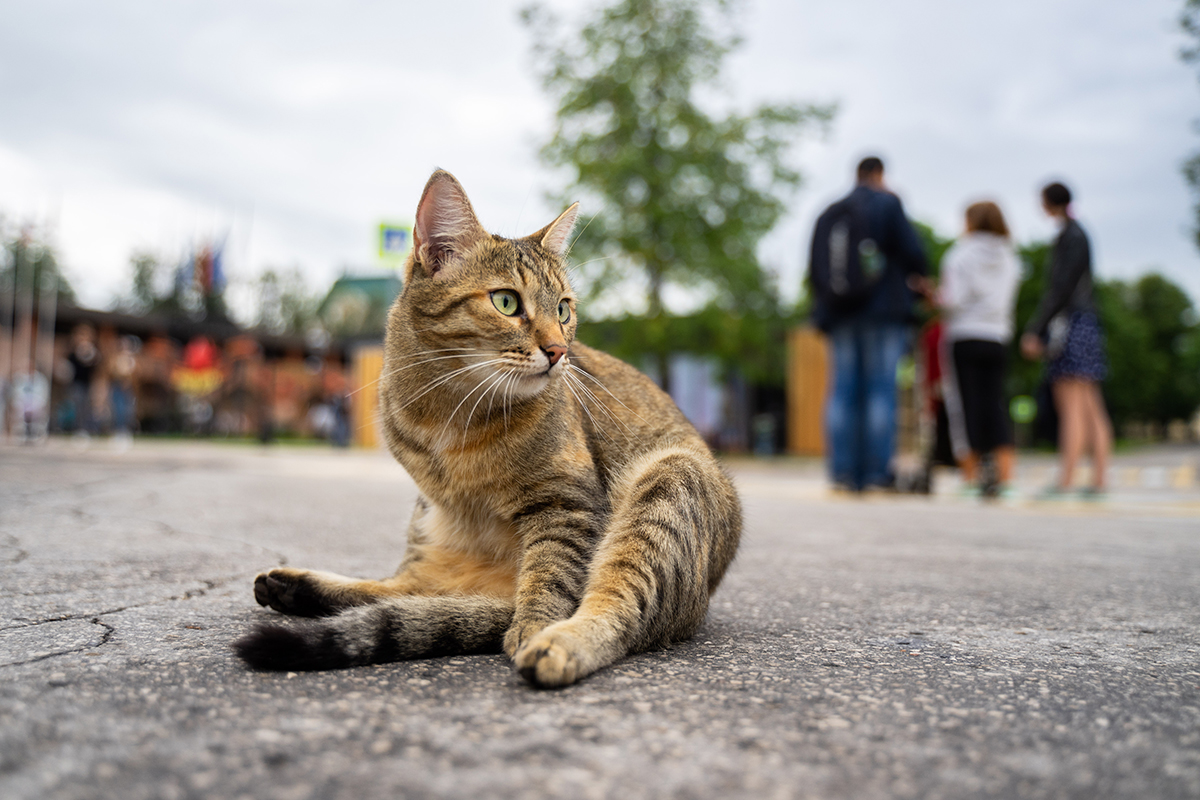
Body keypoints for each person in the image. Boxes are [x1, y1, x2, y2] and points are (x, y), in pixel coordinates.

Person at [809, 156, 928, 491]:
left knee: (842, 390)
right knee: (880, 389)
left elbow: (815, 269)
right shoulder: (888, 204)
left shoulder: (831, 211)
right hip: (883, 312)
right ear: (879, 174)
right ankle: (876, 473)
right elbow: (915, 255)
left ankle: (842, 473)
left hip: (839, 313)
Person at [1020, 182, 1112, 497]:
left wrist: (1036, 328)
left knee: (1070, 402)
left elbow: (1060, 287)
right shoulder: (1079, 232)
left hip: (1072, 320)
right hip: (1086, 319)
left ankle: (1067, 478)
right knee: (1090, 402)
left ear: (1048, 202)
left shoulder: (1068, 236)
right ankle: (1099, 477)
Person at [936, 201, 1021, 497]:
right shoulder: (1010, 257)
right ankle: (1007, 479)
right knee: (995, 405)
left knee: (965, 406)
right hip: (997, 335)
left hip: (965, 334)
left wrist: (934, 296)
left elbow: (953, 300)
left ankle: (970, 479)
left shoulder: (961, 255)